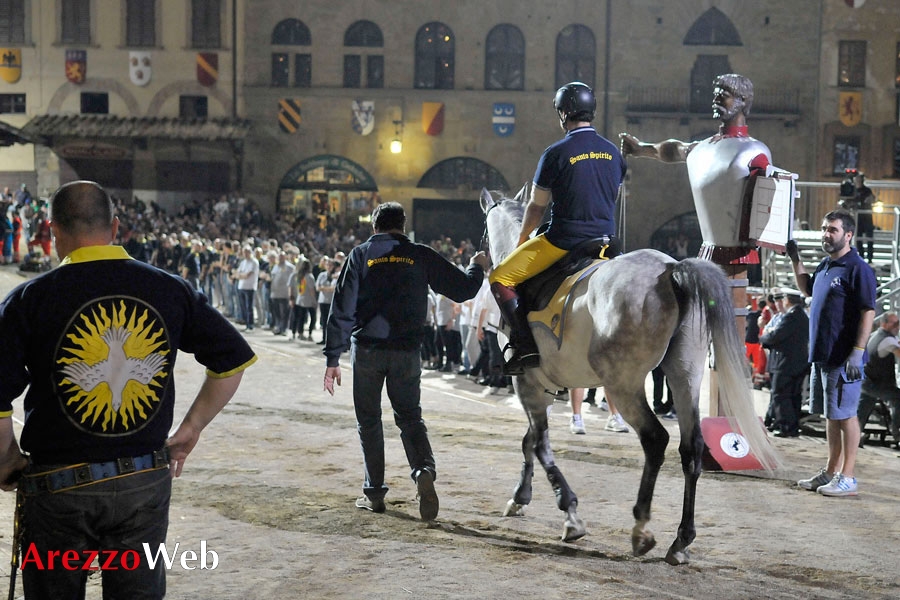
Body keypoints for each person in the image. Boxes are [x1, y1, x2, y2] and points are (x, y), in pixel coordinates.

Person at [0, 180, 256, 599]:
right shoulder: (170, 288)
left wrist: (6, 458)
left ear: (54, 230)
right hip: (143, 479)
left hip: (58, 488)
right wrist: (191, 428)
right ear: (115, 228)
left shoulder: (28, 299)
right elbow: (231, 362)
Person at [322, 202, 488, 520]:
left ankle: (375, 493)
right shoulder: (420, 254)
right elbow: (464, 290)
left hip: (367, 351)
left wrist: (333, 357)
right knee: (410, 418)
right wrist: (476, 265)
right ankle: (423, 470)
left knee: (368, 421)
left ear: (375, 227)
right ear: (403, 225)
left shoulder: (359, 255)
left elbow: (341, 307)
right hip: (408, 352)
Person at [489, 81, 626, 375]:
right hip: (607, 240)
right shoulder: (613, 152)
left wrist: (522, 240)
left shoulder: (555, 153)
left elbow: (536, 207)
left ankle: (525, 347)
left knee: (500, 276)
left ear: (564, 113)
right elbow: (610, 195)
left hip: (566, 240)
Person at [620, 73, 772, 265]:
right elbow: (673, 150)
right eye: (715, 93)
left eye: (724, 94)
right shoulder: (703, 147)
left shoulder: (754, 150)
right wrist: (641, 149)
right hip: (708, 253)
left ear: (743, 100)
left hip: (737, 257)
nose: (716, 98)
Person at [787, 210, 876, 496]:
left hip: (844, 356)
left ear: (848, 234)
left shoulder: (857, 268)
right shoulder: (827, 265)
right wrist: (794, 259)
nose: (827, 233)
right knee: (831, 416)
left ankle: (847, 477)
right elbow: (807, 289)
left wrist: (857, 351)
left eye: (833, 230)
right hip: (823, 355)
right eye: (824, 228)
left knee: (847, 416)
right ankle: (830, 471)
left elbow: (868, 311)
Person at [759, 290, 810, 438]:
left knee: (781, 395)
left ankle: (785, 426)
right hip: (796, 364)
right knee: (793, 396)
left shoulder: (792, 317)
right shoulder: (800, 316)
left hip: (787, 364)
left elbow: (775, 336)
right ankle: (792, 427)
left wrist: (763, 338)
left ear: (787, 300)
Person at [858, 312, 900, 450]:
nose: (897, 326)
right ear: (884, 323)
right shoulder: (888, 340)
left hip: (867, 380)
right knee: (898, 398)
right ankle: (897, 435)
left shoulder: (875, 335)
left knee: (862, 410)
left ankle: (854, 436)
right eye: (894, 323)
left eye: (898, 323)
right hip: (876, 384)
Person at [839, 170, 875, 262]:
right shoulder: (852, 191)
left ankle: (870, 257)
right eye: (856, 179)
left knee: (869, 238)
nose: (858, 181)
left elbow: (870, 199)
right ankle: (861, 256)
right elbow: (848, 202)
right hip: (857, 218)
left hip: (866, 217)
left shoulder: (867, 191)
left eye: (859, 179)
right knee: (858, 238)